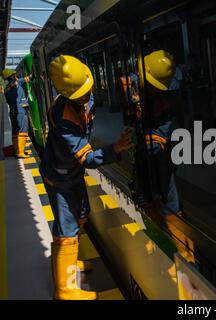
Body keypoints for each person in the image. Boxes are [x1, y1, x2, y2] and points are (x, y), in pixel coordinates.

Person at [39, 55, 133, 300]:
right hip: (61, 179)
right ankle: (65, 289)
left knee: (81, 215)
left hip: (71, 174)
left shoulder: (79, 99)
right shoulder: (64, 118)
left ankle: (72, 263)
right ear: (69, 95)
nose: (88, 95)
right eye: (82, 93)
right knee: (66, 229)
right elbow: (88, 159)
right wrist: (116, 149)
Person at [143, 50, 181, 217]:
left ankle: (171, 215)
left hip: (160, 146)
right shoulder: (165, 85)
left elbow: (158, 139)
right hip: (156, 145)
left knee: (165, 176)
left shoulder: (168, 95)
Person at [2, 69, 31, 158]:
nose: (16, 76)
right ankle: (20, 152)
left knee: (15, 132)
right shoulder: (17, 83)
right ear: (11, 76)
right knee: (22, 130)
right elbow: (29, 78)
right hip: (20, 110)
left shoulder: (6, 89)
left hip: (13, 111)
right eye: (14, 74)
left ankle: (17, 150)